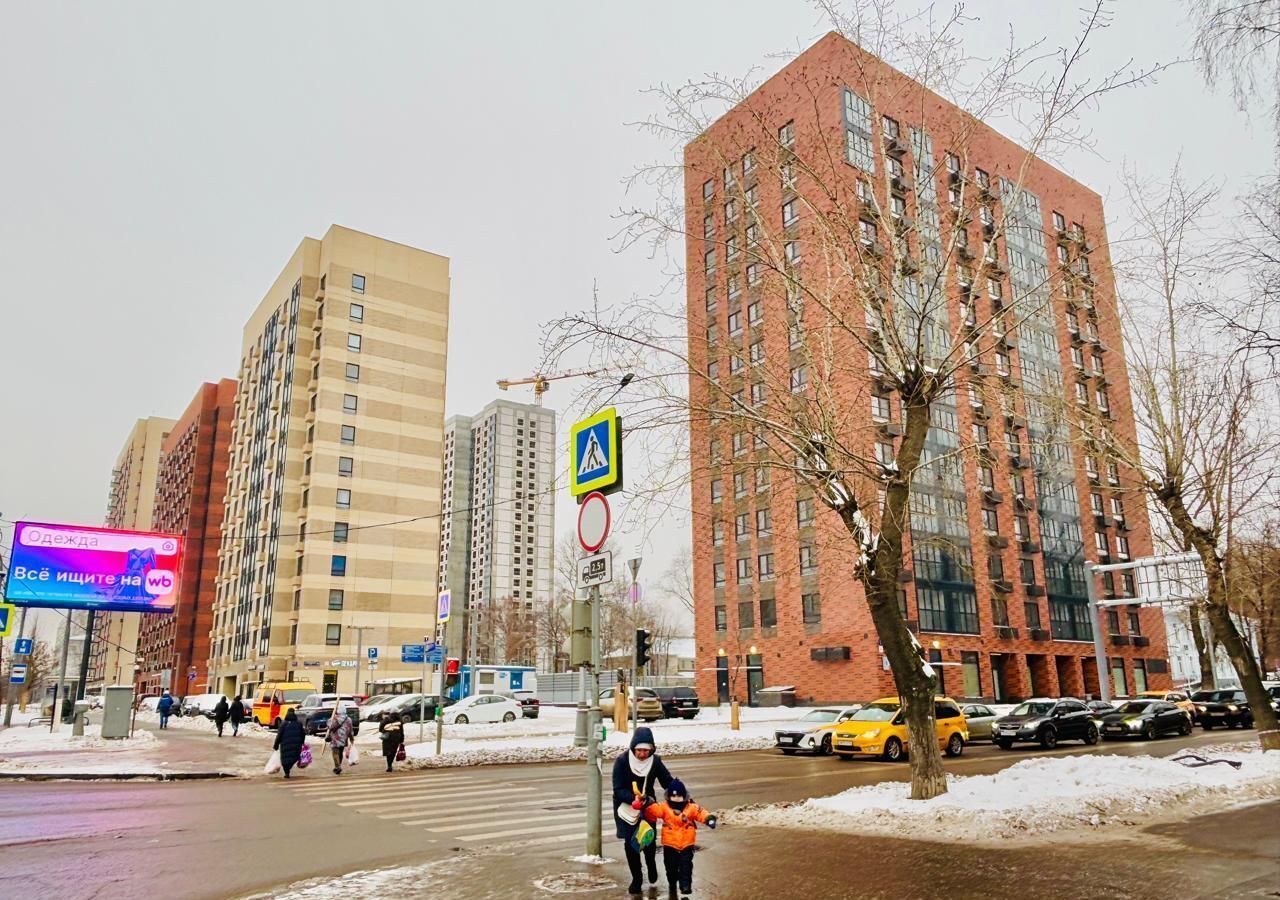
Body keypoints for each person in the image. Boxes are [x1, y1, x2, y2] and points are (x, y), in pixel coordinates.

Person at [612, 726, 673, 896]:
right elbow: (617, 788)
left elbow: (666, 781)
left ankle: (651, 864)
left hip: (647, 806)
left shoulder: (655, 761)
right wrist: (632, 798)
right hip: (626, 806)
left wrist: (680, 793)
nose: (642, 754)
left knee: (648, 839)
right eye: (639, 750)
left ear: (652, 749)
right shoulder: (622, 761)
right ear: (633, 748)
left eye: (646, 750)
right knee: (630, 844)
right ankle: (637, 878)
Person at [642, 779, 717, 900]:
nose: (676, 798)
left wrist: (709, 818)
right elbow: (653, 810)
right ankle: (672, 881)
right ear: (669, 796)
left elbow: (701, 813)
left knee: (686, 866)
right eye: (673, 796)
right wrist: (646, 804)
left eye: (679, 796)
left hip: (687, 843)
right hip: (670, 844)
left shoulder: (691, 807)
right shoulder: (664, 807)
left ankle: (685, 885)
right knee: (670, 866)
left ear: (684, 796)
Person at [274, 708, 306, 778]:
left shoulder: (283, 724)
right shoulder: (299, 724)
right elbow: (303, 734)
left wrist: (276, 745)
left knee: (285, 759)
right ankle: (289, 767)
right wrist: (302, 742)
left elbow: (279, 735)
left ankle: (287, 772)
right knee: (294, 756)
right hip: (297, 745)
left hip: (285, 745)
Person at [325, 703, 354, 775]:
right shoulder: (349, 719)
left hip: (335, 738)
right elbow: (350, 729)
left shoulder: (334, 719)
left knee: (335, 752)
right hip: (344, 739)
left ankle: (337, 766)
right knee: (340, 752)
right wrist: (351, 738)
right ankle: (338, 765)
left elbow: (329, 726)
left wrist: (332, 718)